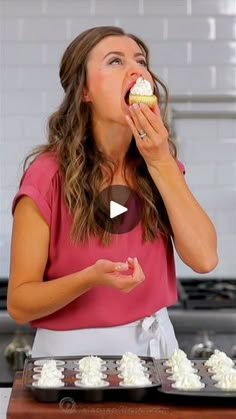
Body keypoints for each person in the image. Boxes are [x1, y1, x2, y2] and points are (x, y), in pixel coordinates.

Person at [7, 26, 218, 359]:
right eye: (115, 61)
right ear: (84, 91)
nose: (136, 69)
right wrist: (90, 279)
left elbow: (205, 258)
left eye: (140, 60)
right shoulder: (47, 175)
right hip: (69, 362)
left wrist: (160, 160)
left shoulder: (159, 166)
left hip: (155, 353)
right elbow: (20, 304)